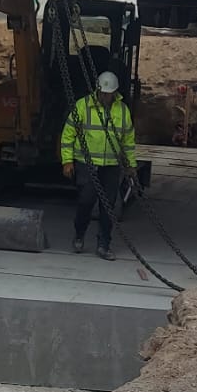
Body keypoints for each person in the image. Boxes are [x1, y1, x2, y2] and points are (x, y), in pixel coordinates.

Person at [62, 71, 137, 261]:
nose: (105, 96)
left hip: (111, 166)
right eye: (102, 93)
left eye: (108, 93)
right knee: (85, 202)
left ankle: (104, 244)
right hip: (87, 164)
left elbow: (128, 141)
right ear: (97, 90)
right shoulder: (82, 106)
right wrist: (67, 160)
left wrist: (131, 165)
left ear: (115, 93)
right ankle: (79, 234)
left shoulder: (122, 111)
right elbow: (68, 134)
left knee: (108, 207)